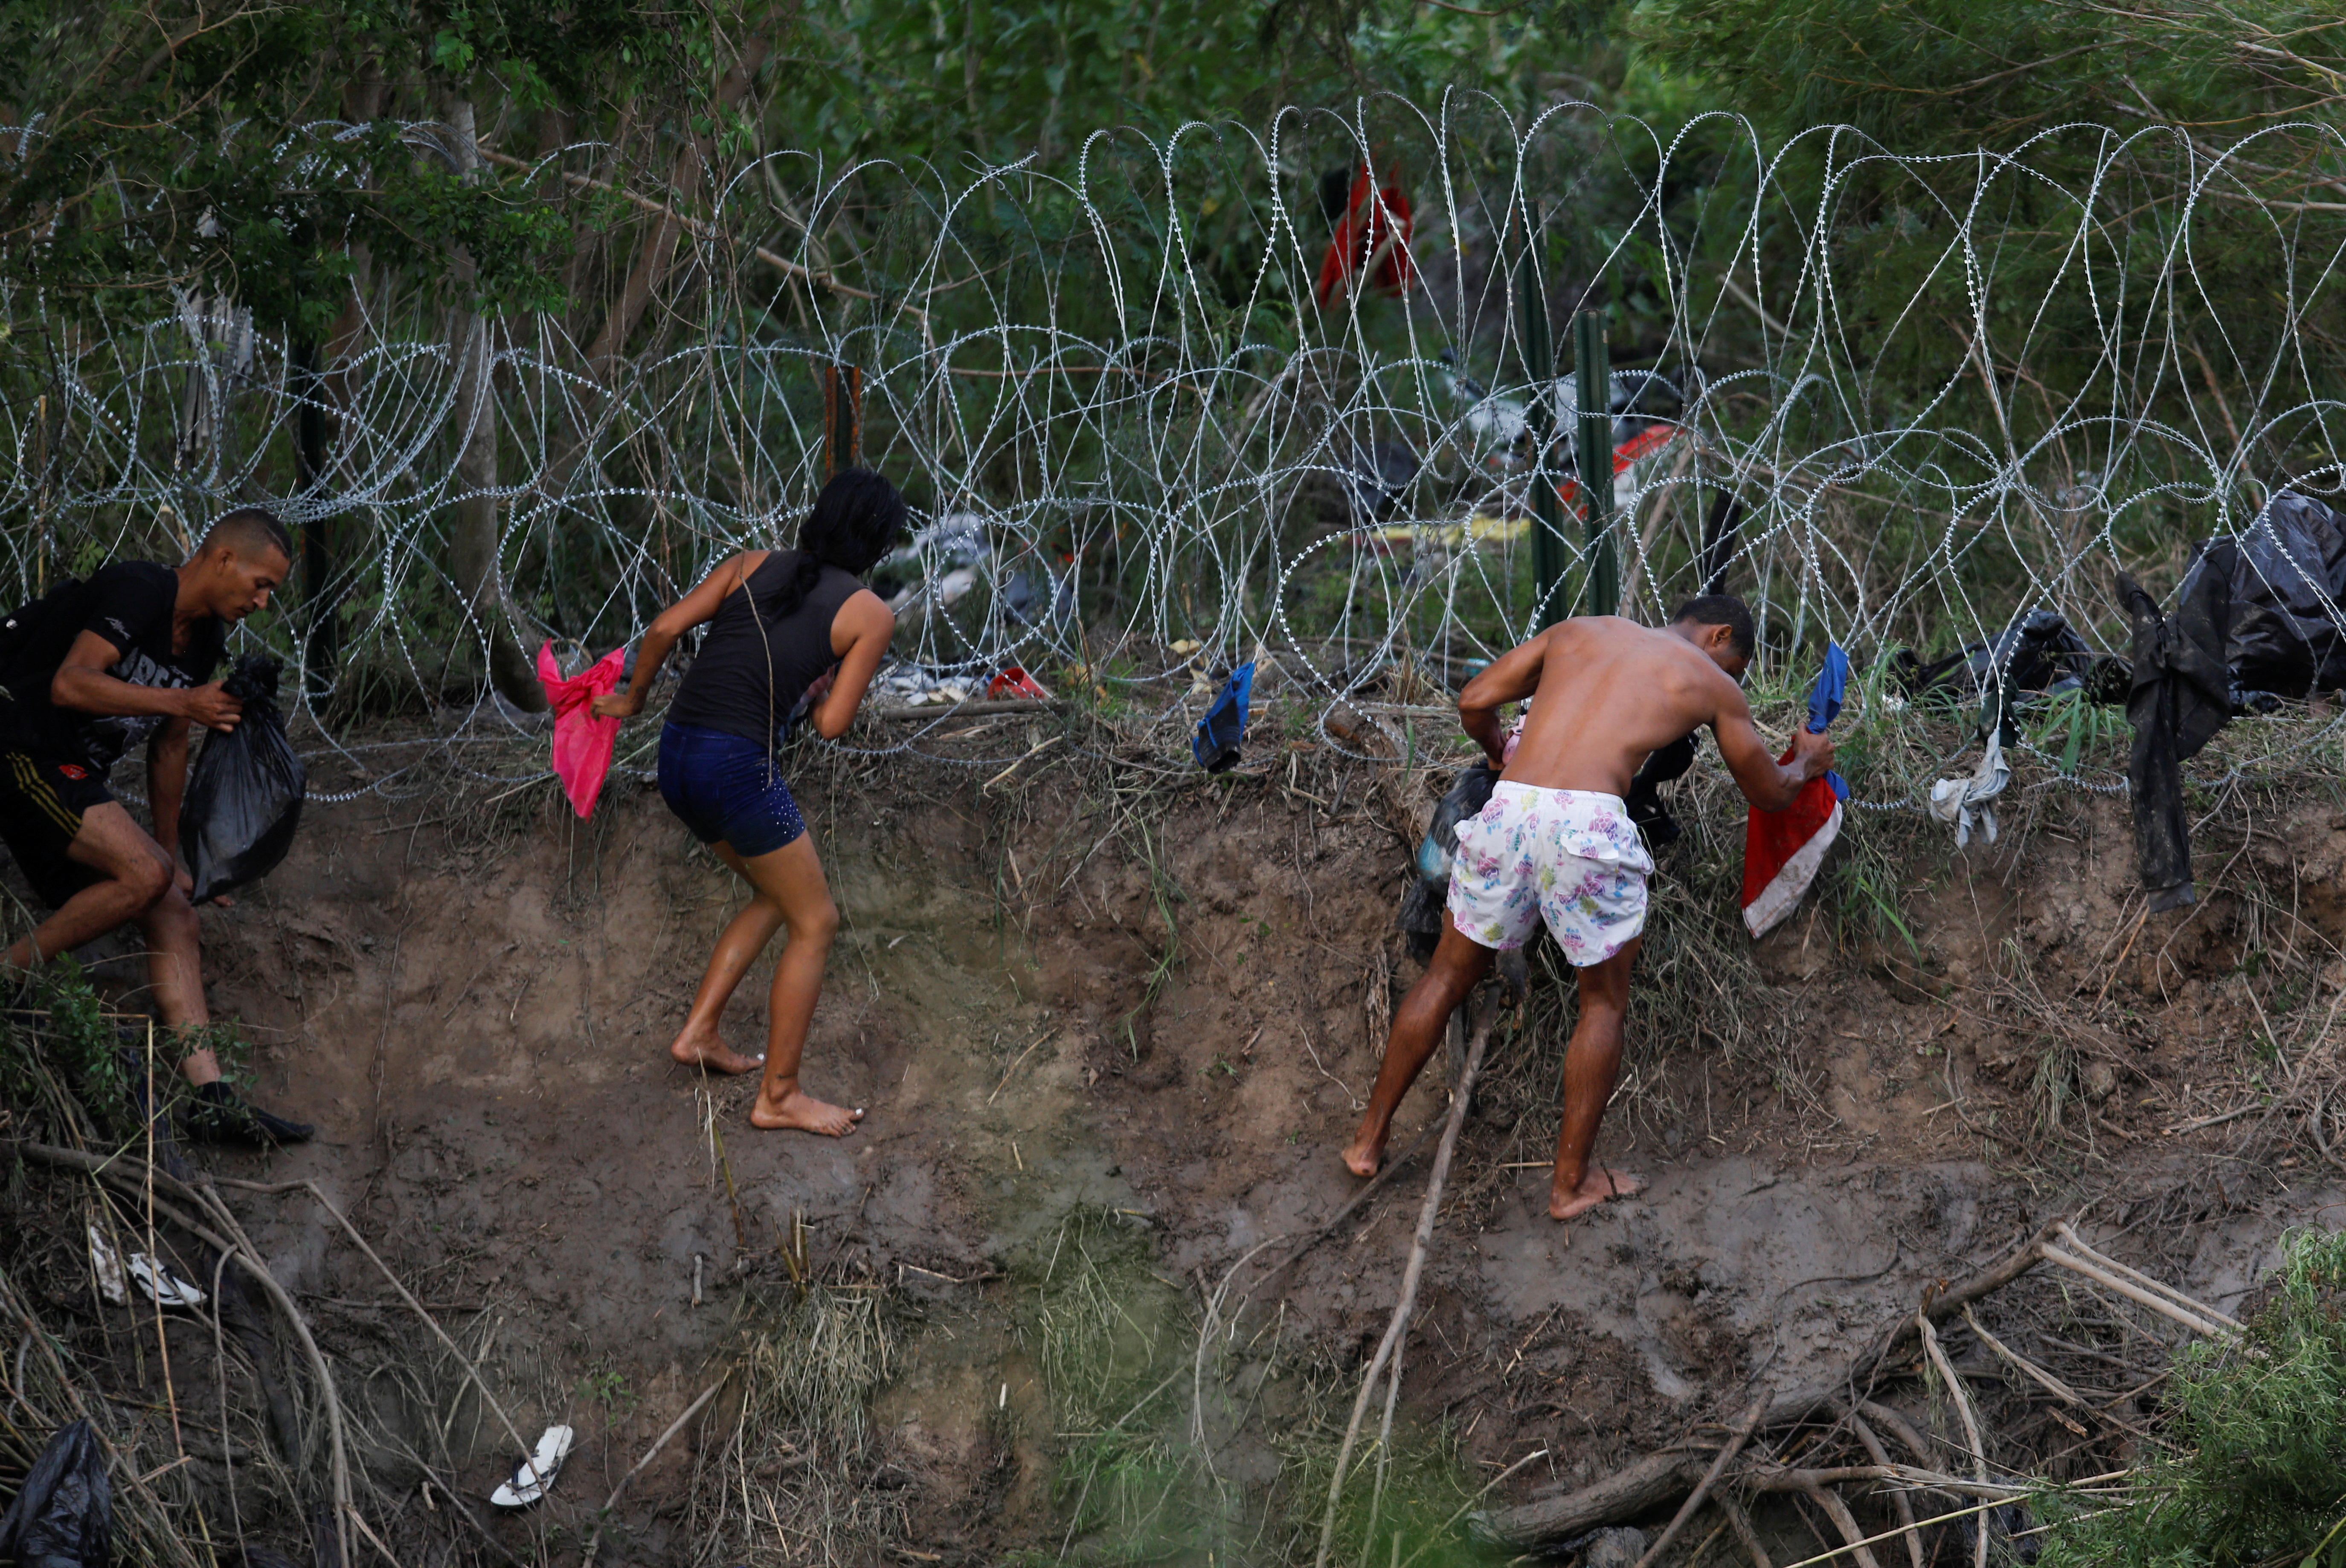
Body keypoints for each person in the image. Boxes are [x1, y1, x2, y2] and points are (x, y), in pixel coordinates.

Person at [1341, 597, 1835, 1220]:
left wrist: (1500, 751)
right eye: (1735, 666)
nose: (1731, 680)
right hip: (1589, 825)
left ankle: (1367, 1142)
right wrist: (1807, 761)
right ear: (1719, 635)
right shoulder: (1709, 680)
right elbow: (1769, 792)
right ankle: (1568, 1185)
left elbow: (1473, 700)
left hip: (1510, 806)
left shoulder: (1578, 630)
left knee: (1444, 974)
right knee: (1601, 1003)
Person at [594, 468, 903, 1134]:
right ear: (880, 544)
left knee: (776, 897)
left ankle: (699, 1034)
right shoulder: (871, 614)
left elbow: (662, 629)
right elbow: (832, 726)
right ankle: (781, 1095)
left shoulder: (750, 563)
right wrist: (821, 685)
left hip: (676, 757)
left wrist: (631, 699)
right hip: (735, 767)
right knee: (816, 921)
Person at [0, 508, 313, 1143]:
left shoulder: (203, 641)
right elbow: (70, 683)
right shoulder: (141, 590)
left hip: (69, 775)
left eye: (271, 592)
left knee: (173, 907)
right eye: (260, 584)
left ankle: (214, 1101)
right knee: (146, 871)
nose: (261, 600)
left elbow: (170, 750)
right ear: (222, 558)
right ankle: (8, 977)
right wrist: (184, 701)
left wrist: (176, 862)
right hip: (19, 746)